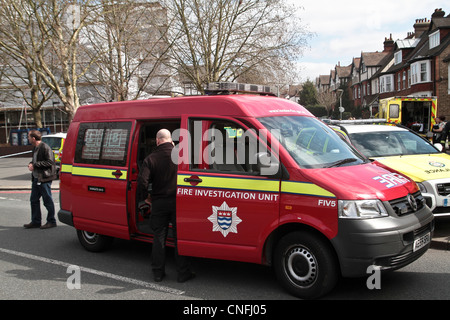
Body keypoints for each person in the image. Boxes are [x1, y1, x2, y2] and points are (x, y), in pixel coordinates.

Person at [137, 129, 194, 283]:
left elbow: (142, 182)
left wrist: (146, 198)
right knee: (178, 237)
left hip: (159, 203)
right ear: (171, 141)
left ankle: (157, 273)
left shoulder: (150, 158)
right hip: (178, 202)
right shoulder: (181, 155)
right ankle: (183, 273)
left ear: (157, 141)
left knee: (159, 237)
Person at [24, 130, 57, 229]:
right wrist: (31, 163)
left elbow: (50, 162)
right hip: (36, 178)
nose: (28, 139)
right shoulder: (35, 148)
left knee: (47, 200)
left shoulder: (45, 147)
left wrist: (35, 165)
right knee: (33, 200)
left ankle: (51, 221)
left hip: (44, 178)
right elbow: (35, 160)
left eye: (29, 137)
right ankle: (36, 221)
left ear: (33, 138)